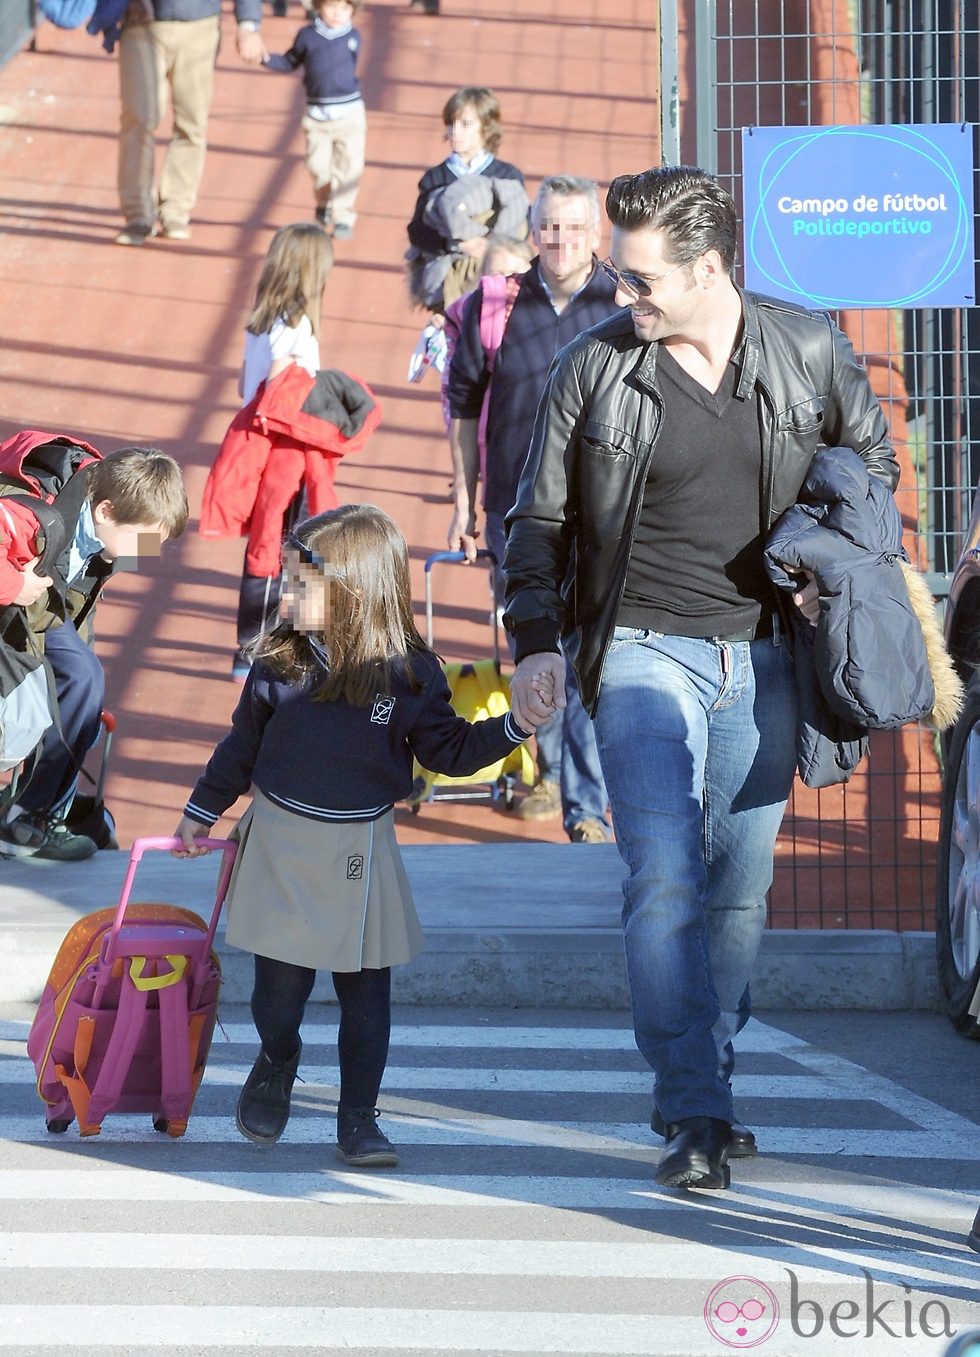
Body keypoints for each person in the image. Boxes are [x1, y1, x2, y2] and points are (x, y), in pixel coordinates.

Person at [503, 166, 900, 1190]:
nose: (618, 295)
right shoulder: (595, 371)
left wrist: (821, 562)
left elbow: (871, 465)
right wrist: (536, 638)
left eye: (639, 281)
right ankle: (693, 1104)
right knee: (663, 875)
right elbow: (537, 522)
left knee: (737, 892)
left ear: (709, 267)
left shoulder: (803, 349)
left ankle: (704, 1070)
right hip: (639, 650)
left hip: (768, 654)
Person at [173, 505, 551, 1165]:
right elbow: (241, 746)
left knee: (367, 991)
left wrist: (515, 728)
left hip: (361, 850)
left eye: (299, 585)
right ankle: (279, 1055)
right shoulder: (277, 664)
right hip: (282, 843)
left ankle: (358, 1119)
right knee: (275, 1001)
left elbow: (451, 749)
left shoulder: (409, 674)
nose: (283, 597)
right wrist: (201, 809)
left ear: (355, 593)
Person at [447, 174, 618, 845]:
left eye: (576, 227)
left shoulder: (621, 303)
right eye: (551, 225)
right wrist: (463, 499)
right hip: (515, 514)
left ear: (596, 233)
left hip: (600, 512)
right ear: (533, 229)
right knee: (537, 647)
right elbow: (462, 409)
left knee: (583, 655)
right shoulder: (491, 305)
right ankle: (550, 773)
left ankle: (587, 804)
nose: (562, 239)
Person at [0, 440, 188, 860]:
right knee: (39, 702)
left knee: (82, 684)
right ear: (104, 512)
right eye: (146, 539)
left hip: (37, 608)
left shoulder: (111, 524)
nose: (150, 553)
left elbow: (76, 602)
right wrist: (16, 585)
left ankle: (36, 814)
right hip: (14, 598)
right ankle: (26, 815)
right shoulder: (38, 518)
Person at [221, 221, 333, 677]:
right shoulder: (295, 323)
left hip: (259, 444)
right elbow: (282, 391)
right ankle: (267, 649)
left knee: (269, 544)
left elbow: (245, 385)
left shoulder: (262, 318)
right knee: (299, 544)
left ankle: (254, 646)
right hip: (287, 452)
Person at [113, 0, 267, 247]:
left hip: (199, 26)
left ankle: (176, 210)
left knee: (191, 122)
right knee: (138, 118)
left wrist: (248, 25)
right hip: (141, 23)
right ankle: (137, 214)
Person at [405, 87, 528, 314]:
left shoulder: (508, 175)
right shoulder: (435, 177)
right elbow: (417, 231)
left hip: (498, 286)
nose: (455, 132)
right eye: (451, 123)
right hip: (447, 289)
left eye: (465, 124)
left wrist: (491, 245)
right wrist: (458, 243)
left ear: (487, 126)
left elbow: (523, 226)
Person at [262, 0, 366, 239]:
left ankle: (343, 217)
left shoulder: (354, 37)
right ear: (318, 7)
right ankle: (324, 204)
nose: (338, 13)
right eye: (331, 7)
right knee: (318, 168)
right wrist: (264, 57)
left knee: (348, 168)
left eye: (344, 8)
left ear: (352, 10)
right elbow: (289, 62)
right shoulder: (307, 36)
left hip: (350, 114)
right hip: (317, 117)